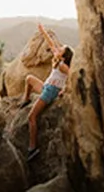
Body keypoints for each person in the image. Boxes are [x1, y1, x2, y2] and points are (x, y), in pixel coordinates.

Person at [20, 26, 73, 160]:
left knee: (31, 117)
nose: (58, 48)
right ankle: (25, 99)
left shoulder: (62, 65)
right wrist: (42, 31)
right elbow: (51, 44)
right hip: (46, 87)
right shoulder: (58, 61)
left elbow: (72, 76)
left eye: (61, 49)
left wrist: (64, 90)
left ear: (64, 55)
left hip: (50, 91)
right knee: (29, 79)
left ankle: (32, 148)